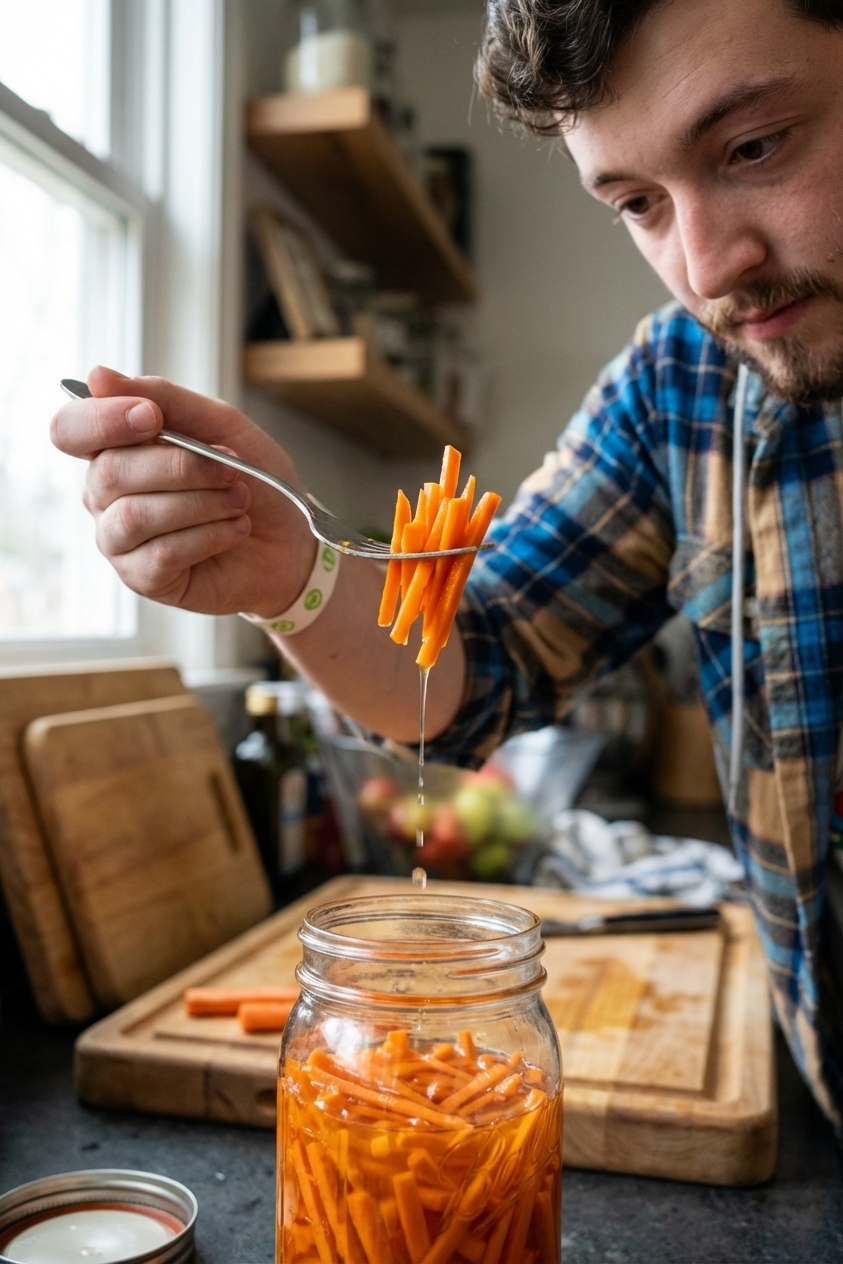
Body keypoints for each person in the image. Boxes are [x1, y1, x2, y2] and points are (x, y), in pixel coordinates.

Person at [51, 0, 843, 1125]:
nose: (710, 265)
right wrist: (287, 567)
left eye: (755, 147)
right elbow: (471, 663)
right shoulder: (685, 381)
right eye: (637, 204)